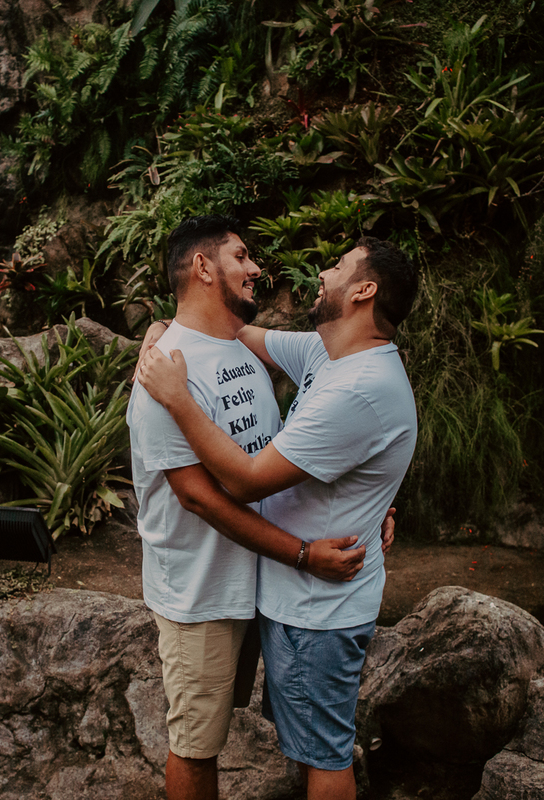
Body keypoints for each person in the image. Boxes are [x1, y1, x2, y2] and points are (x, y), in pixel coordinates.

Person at [136, 236, 419, 800]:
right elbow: (231, 327)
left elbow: (244, 479)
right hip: (254, 594)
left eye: (338, 266)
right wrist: (161, 332)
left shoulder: (360, 387)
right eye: (240, 257)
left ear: (364, 290)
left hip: (318, 605)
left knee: (323, 757)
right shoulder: (326, 354)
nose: (323, 271)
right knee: (222, 744)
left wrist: (179, 397)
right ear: (202, 268)